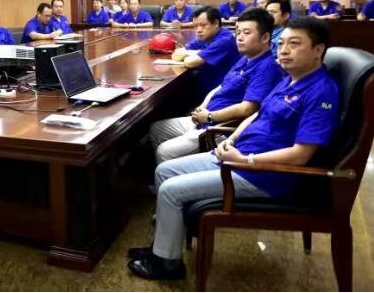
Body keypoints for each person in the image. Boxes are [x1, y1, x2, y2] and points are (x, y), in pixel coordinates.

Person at [128, 17, 339, 281]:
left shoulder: (321, 92)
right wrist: (232, 140)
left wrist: (246, 159)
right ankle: (163, 247)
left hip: (264, 174)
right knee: (165, 170)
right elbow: (257, 114)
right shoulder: (290, 79)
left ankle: (168, 265)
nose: (284, 50)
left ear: (318, 50)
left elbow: (301, 155)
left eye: (294, 44)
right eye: (282, 43)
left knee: (170, 190)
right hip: (237, 156)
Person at [150, 8, 283, 164]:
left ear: (265, 37)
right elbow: (221, 87)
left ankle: (171, 174)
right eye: (238, 32)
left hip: (220, 127)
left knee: (164, 151)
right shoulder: (246, 58)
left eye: (246, 33)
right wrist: (202, 107)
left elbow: (248, 109)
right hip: (205, 117)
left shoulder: (266, 67)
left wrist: (209, 116)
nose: (239, 38)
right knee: (157, 128)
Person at [171, 6, 240, 96]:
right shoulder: (204, 37)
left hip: (222, 93)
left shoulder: (225, 40)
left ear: (216, 23)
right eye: (195, 26)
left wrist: (191, 54)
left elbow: (190, 62)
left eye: (203, 25)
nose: (198, 30)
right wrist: (197, 52)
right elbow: (177, 54)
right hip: (204, 88)